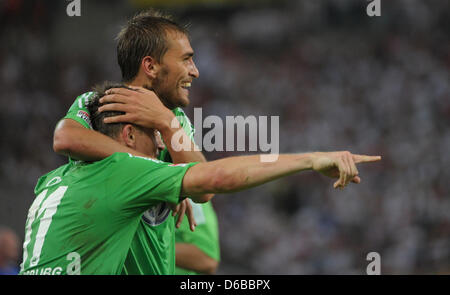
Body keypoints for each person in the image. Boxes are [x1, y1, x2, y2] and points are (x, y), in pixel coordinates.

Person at [20, 85, 381, 274]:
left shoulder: (52, 180)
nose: (163, 144)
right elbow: (217, 178)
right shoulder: (126, 171)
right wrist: (310, 158)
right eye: (155, 134)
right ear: (128, 136)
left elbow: (65, 137)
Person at [52, 10, 219, 274]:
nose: (195, 71)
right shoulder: (100, 103)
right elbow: (65, 137)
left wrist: (165, 121)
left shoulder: (176, 120)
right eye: (186, 60)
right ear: (150, 66)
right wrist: (161, 174)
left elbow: (204, 189)